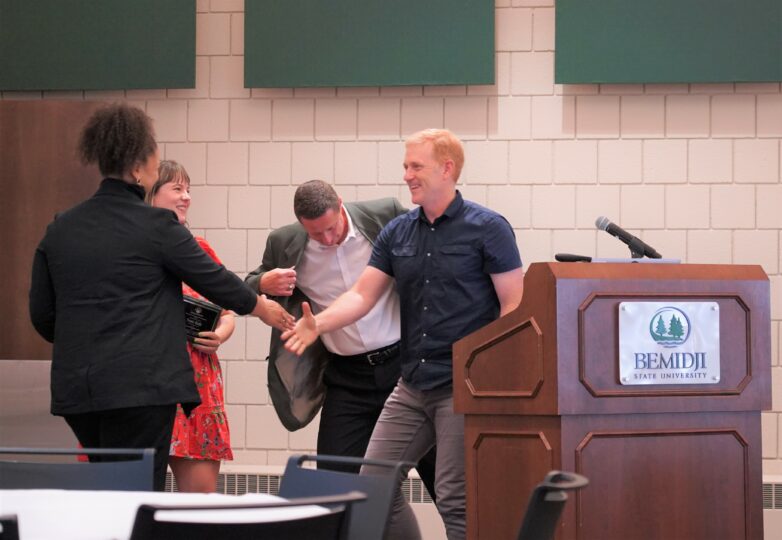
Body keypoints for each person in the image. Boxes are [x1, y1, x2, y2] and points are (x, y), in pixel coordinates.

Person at [29, 103, 293, 491]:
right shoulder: (156, 225)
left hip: (78, 390)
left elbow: (42, 314)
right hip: (141, 388)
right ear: (138, 167)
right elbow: (214, 280)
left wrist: (88, 342)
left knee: (103, 493)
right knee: (135, 497)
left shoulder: (61, 227)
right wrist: (262, 307)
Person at [282, 129, 524, 540]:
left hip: (461, 387)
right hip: (411, 385)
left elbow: (513, 308)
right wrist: (318, 323)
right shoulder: (398, 232)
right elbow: (361, 294)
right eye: (406, 167)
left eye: (416, 166)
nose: (407, 175)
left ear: (447, 169)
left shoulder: (489, 228)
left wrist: (490, 381)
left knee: (452, 495)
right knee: (374, 486)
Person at [245, 180, 437, 497]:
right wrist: (264, 281)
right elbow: (246, 287)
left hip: (404, 368)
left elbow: (429, 246)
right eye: (316, 233)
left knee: (444, 474)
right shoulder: (284, 242)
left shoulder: (384, 215)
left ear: (341, 204)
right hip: (348, 377)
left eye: (332, 228)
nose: (327, 238)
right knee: (335, 483)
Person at [148, 160, 234, 493]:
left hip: (197, 387)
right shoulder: (134, 252)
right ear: (151, 194)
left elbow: (227, 313)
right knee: (134, 500)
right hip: (149, 383)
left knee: (200, 503)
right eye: (177, 189)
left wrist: (219, 336)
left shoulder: (199, 250)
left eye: (188, 189)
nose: (186, 197)